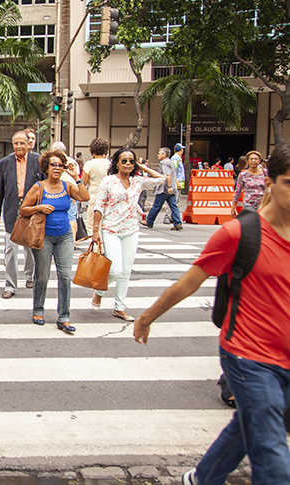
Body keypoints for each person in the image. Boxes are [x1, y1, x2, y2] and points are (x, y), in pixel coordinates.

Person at [135, 142, 290, 485]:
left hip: (286, 358)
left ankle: (202, 478)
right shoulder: (239, 233)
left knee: (249, 424)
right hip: (249, 356)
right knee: (274, 460)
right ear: (269, 183)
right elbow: (189, 283)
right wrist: (147, 317)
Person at [91, 149, 167, 322]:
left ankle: (119, 308)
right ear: (116, 162)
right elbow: (99, 206)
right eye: (124, 161)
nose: (127, 164)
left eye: (131, 161)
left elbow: (162, 179)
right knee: (115, 269)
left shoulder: (137, 182)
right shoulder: (108, 181)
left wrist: (142, 167)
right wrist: (96, 231)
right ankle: (100, 292)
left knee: (125, 271)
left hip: (131, 230)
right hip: (111, 230)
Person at [20, 149, 89, 332]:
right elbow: (23, 209)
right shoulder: (39, 187)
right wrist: (39, 207)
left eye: (60, 165)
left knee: (65, 276)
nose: (57, 168)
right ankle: (38, 309)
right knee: (42, 276)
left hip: (65, 236)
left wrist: (76, 176)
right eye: (53, 165)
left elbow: (85, 197)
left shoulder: (67, 186)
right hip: (44, 236)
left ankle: (64, 316)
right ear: (46, 167)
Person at [0, 131, 42, 299]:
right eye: (16, 143)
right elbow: (0, 189)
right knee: (11, 249)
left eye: (22, 143)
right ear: (12, 144)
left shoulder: (38, 161)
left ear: (29, 143)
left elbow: (44, 185)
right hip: (11, 210)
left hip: (32, 209)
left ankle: (29, 276)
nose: (19, 146)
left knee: (29, 246)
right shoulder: (5, 163)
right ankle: (10, 285)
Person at [145, 147, 183, 230]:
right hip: (171, 188)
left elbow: (168, 175)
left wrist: (169, 186)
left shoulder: (164, 163)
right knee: (173, 206)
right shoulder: (170, 162)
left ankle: (149, 221)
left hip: (164, 188)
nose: (158, 155)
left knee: (156, 205)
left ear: (164, 154)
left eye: (159, 153)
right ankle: (178, 223)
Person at [81, 137, 111, 235]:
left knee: (92, 225)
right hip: (109, 197)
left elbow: (83, 183)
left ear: (92, 151)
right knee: (107, 224)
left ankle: (97, 248)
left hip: (94, 197)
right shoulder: (110, 164)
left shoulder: (89, 164)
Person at [232, 150, 268, 216]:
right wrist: (233, 206)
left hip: (263, 204)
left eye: (256, 159)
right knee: (251, 224)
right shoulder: (243, 175)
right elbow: (237, 191)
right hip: (249, 205)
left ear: (259, 161)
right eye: (251, 159)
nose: (253, 161)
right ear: (248, 161)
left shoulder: (265, 173)